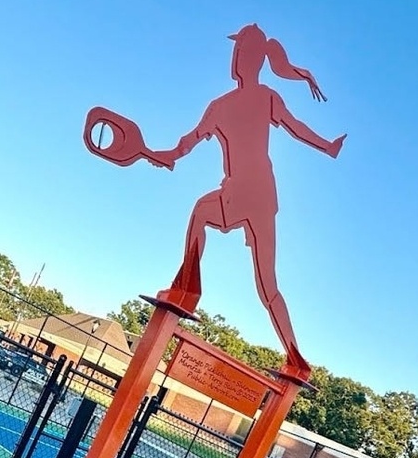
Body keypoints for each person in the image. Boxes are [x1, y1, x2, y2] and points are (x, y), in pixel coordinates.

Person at [146, 24, 345, 380]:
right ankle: (297, 361)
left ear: (248, 58)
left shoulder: (225, 105)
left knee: (200, 212)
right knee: (268, 283)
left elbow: (186, 144)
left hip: (241, 190)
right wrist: (327, 146)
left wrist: (168, 155)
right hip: (264, 195)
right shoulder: (257, 98)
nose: (235, 57)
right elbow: (295, 127)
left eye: (239, 51)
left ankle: (186, 290)